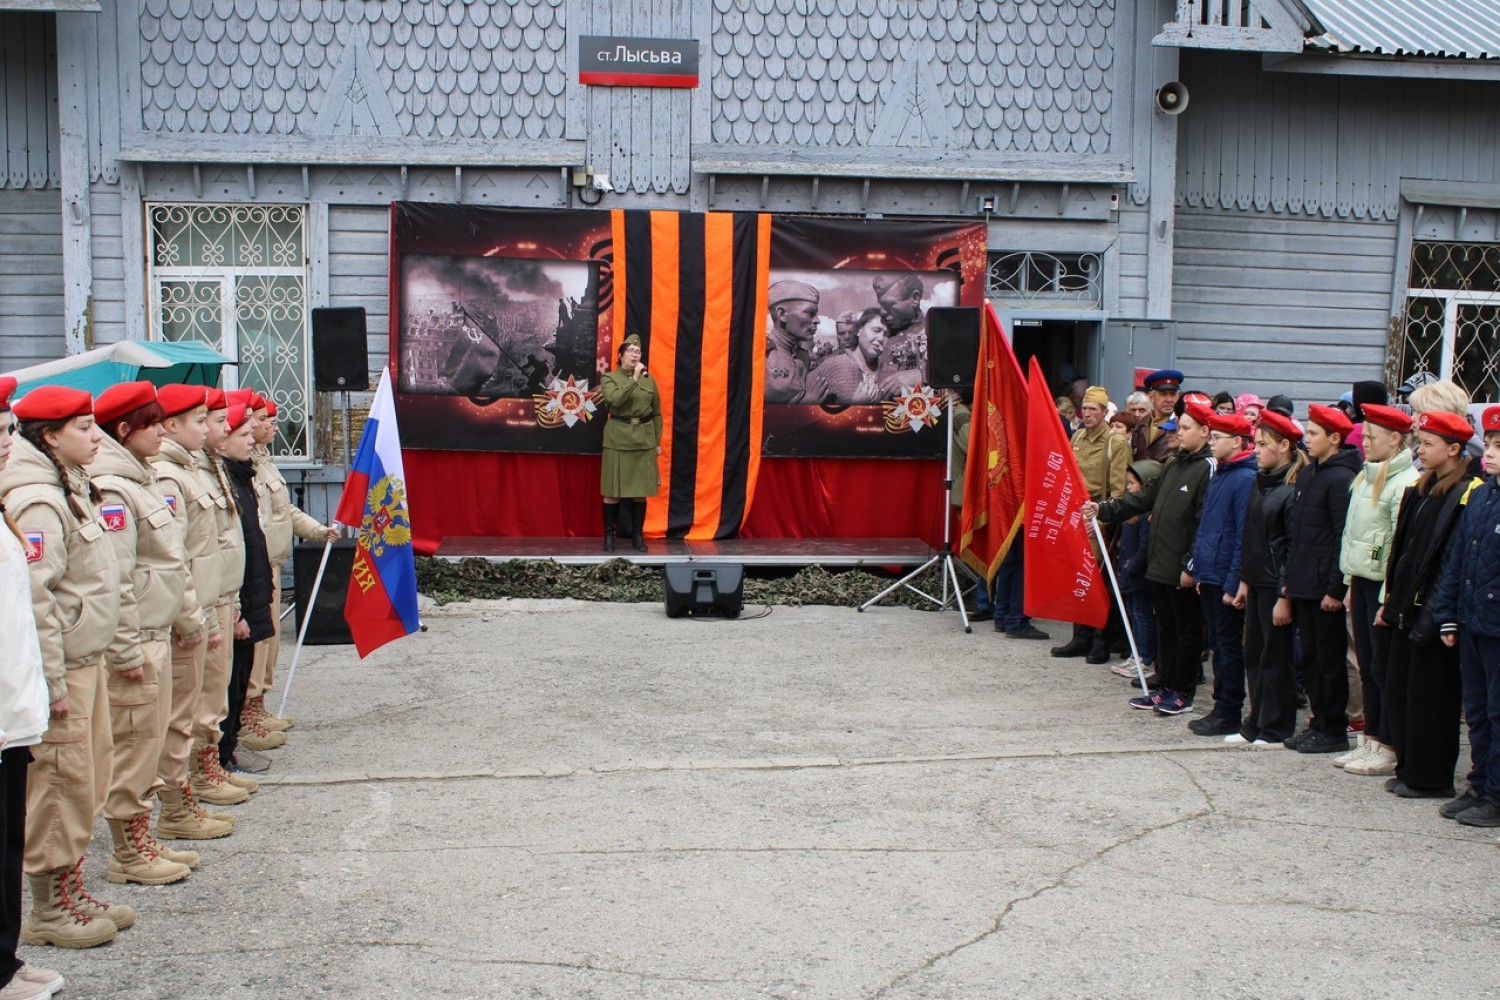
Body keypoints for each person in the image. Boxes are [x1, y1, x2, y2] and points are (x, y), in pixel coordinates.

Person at [0, 386, 128, 948]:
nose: (97, 437)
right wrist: (52, 681)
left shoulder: (67, 487)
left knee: (84, 779)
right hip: (65, 668)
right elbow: (36, 598)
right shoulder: (39, 500)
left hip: (85, 658)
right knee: (59, 782)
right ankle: (49, 908)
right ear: (50, 437)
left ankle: (69, 887)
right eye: (84, 427)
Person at [90, 382, 197, 887]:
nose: (161, 432)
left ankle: (143, 836)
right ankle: (128, 851)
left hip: (157, 629)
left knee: (148, 742)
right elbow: (117, 579)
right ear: (123, 430)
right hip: (137, 639)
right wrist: (128, 649)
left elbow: (171, 561)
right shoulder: (114, 489)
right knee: (134, 745)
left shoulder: (142, 478)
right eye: (151, 424)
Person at [1086, 399, 1214, 716]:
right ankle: (1165, 686)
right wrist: (1104, 509)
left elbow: (1204, 523)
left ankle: (1183, 691)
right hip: (1160, 563)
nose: (1178, 433)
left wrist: (1190, 564)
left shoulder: (1206, 469)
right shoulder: (1173, 464)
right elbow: (1144, 498)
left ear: (1205, 431)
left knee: (1186, 632)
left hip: (1181, 568)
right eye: (1179, 427)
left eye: (1186, 428)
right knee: (1165, 629)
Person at [1378, 408, 1480, 800]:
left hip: (1433, 612)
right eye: (1419, 442)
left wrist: (1435, 614)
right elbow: (1405, 552)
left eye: (1429, 443)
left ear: (1454, 449)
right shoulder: (1422, 488)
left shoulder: (1465, 492)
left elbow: (1449, 560)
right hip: (1407, 607)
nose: (1420, 450)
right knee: (1401, 691)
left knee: (1431, 698)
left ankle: (1431, 776)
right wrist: (1392, 602)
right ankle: (1409, 767)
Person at [0, 378, 63, 996]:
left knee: (7, 843)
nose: (5, 443)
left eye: (7, 430)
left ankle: (6, 961)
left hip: (14, 707)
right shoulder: (29, 500)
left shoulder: (4, 508)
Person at [150, 385, 234, 842]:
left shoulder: (192, 469)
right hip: (190, 613)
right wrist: (192, 617)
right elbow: (174, 557)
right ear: (171, 424)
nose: (208, 428)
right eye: (200, 420)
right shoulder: (170, 477)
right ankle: (177, 804)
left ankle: (196, 783)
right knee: (182, 714)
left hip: (208, 601)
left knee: (203, 701)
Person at [247, 396, 337, 745]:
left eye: (272, 420)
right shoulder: (243, 464)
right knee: (257, 645)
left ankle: (259, 705)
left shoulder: (264, 461)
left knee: (270, 643)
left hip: (272, 563)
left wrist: (318, 530)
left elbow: (284, 512)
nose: (272, 425)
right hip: (257, 566)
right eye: (263, 419)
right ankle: (247, 714)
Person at [1336, 404, 1418, 777]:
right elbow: (1353, 534)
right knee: (1368, 666)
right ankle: (1370, 737)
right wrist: (1349, 581)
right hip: (1362, 580)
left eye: (1372, 436)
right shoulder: (1366, 476)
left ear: (1396, 439)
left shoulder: (1404, 482)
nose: (1365, 442)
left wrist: (1388, 597)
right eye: (1365, 436)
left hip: (1382, 588)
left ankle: (1387, 743)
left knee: (1383, 668)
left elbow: (1398, 546)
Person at [1430, 405, 1500, 828]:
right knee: (1475, 710)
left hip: (1496, 627)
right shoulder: (1481, 495)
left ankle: (1496, 795)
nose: (1488, 453)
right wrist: (1448, 613)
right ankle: (1479, 785)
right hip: (1473, 620)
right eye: (1488, 444)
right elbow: (1458, 559)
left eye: (1498, 446)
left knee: (1497, 713)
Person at [1282, 404, 1361, 754]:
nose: (1307, 438)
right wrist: (1290, 580)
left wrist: (1335, 588)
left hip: (1323, 588)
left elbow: (1342, 536)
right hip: (1303, 582)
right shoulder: (1310, 473)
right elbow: (1298, 534)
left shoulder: (1341, 478)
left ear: (1334, 438)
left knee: (1329, 661)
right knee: (1311, 659)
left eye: (1314, 434)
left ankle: (1333, 728)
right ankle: (1318, 722)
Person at [190, 389, 252, 811]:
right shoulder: (178, 478)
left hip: (222, 599)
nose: (226, 428)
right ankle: (192, 787)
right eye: (209, 421)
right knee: (194, 708)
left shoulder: (207, 470)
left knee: (213, 697)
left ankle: (210, 767)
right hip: (198, 611)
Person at [1231, 409, 1307, 747]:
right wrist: (1244, 580)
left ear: (1285, 446)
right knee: (1254, 653)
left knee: (1276, 658)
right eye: (1256, 443)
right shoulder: (1261, 482)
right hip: (1257, 580)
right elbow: (1251, 537)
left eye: (1263, 444)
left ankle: (1276, 726)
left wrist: (1284, 595)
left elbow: (1292, 547)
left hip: (1276, 585)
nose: (1256, 450)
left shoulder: (1291, 489)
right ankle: (1256, 720)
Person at [1186, 410, 1257, 736]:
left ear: (1237, 442)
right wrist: (1199, 569)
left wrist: (1232, 581)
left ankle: (1228, 709)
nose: (1211, 442)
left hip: (1224, 576)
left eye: (1217, 438)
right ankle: (1221, 706)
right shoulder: (1222, 473)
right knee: (1218, 644)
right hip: (1211, 574)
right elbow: (1207, 528)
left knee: (1228, 648)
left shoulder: (1244, 479)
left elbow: (1242, 535)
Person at [217, 403, 275, 781]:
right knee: (223, 687)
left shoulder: (240, 473)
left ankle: (231, 745)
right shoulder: (218, 476)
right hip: (225, 599)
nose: (253, 437)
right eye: (244, 432)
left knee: (243, 672)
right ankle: (218, 759)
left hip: (247, 587)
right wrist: (235, 607)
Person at [1052, 386, 1128, 663]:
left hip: (1098, 516)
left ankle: (1100, 641)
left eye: (1093, 409)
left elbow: (1119, 491)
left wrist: (1104, 523)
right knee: (1077, 578)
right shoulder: (1078, 437)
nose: (1087, 413)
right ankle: (1080, 637)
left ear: (1105, 412)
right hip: (1074, 515)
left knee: (1097, 581)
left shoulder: (1115, 443)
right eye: (1084, 408)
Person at [600, 334, 663, 553]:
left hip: (643, 440)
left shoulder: (649, 380)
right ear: (620, 355)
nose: (635, 355)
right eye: (630, 351)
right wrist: (634, 378)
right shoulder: (609, 378)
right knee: (612, 491)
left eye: (638, 352)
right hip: (618, 438)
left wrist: (656, 441)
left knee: (639, 491)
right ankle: (609, 536)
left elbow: (657, 413)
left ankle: (638, 535)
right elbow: (615, 400)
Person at [1111, 459, 1161, 680]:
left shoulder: (1147, 517)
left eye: (1133, 483)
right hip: (1129, 575)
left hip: (1139, 577)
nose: (1129, 487)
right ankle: (1135, 654)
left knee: (1142, 616)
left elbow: (1144, 548)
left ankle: (1146, 659)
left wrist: (1131, 567)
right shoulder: (1131, 514)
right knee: (1133, 614)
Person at [805, 308, 891, 405]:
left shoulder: (886, 369)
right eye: (876, 330)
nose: (881, 338)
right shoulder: (841, 365)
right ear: (858, 330)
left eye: (886, 334)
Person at [764, 280, 820, 404]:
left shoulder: (804, 356)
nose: (817, 320)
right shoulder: (761, 354)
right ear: (782, 314)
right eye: (810, 313)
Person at [872, 273, 926, 387]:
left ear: (915, 298)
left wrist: (922, 376)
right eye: (881, 304)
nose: (882, 311)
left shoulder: (935, 332)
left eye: (889, 304)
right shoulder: (876, 331)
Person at [1130, 369, 1182, 462]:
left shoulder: (1183, 425)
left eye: (1173, 394)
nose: (1169, 400)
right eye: (1163, 394)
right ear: (1151, 397)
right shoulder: (1141, 425)